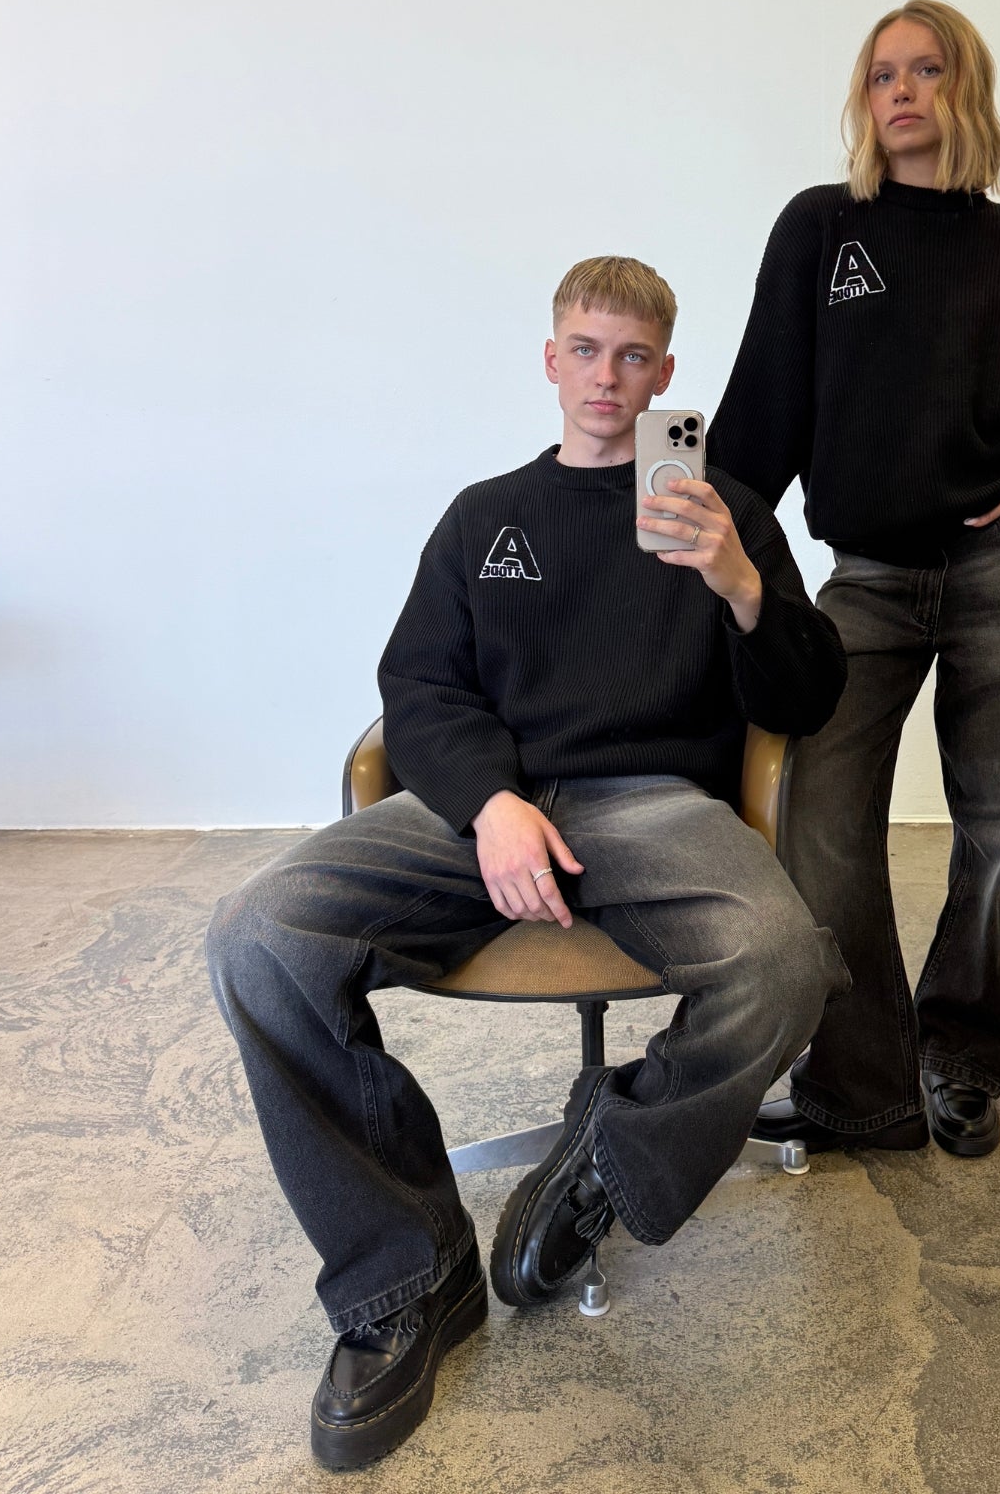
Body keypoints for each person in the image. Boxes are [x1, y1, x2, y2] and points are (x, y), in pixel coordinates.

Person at [205, 255, 849, 1470]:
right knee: (258, 935)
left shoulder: (723, 510)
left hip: (653, 806)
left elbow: (806, 698)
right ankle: (407, 1273)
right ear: (551, 360)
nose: (608, 378)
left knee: (782, 962)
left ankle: (607, 1159)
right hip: (485, 810)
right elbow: (419, 687)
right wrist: (489, 802)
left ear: (666, 372)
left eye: (635, 357)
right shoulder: (483, 516)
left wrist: (743, 586)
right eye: (586, 351)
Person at [707, 0, 1000, 1162]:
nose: (900, 90)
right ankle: (859, 1084)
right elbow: (762, 417)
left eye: (926, 69)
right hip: (869, 576)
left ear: (965, 89)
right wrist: (697, 535)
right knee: (818, 815)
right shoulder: (821, 229)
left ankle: (963, 1062)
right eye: (881, 73)